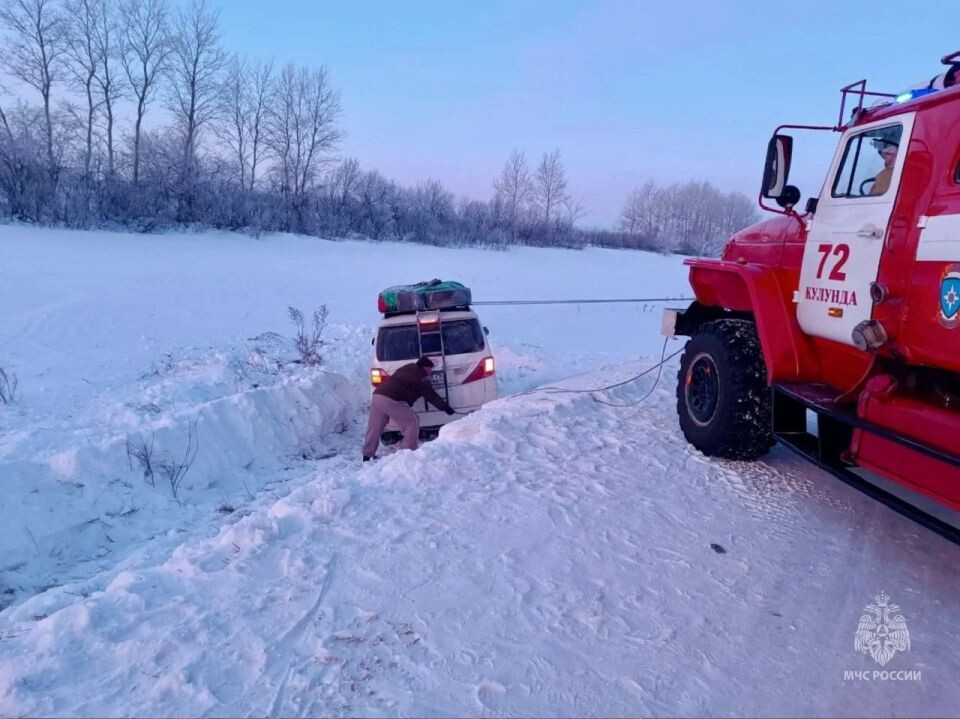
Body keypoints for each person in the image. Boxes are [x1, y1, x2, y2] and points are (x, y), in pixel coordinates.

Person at [362, 356, 455, 461]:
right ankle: (408, 455)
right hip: (392, 399)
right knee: (412, 423)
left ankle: (367, 455)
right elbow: (431, 395)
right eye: (430, 369)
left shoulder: (407, 368)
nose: (431, 371)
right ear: (425, 367)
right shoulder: (420, 376)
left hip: (377, 396)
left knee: (375, 427)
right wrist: (445, 408)